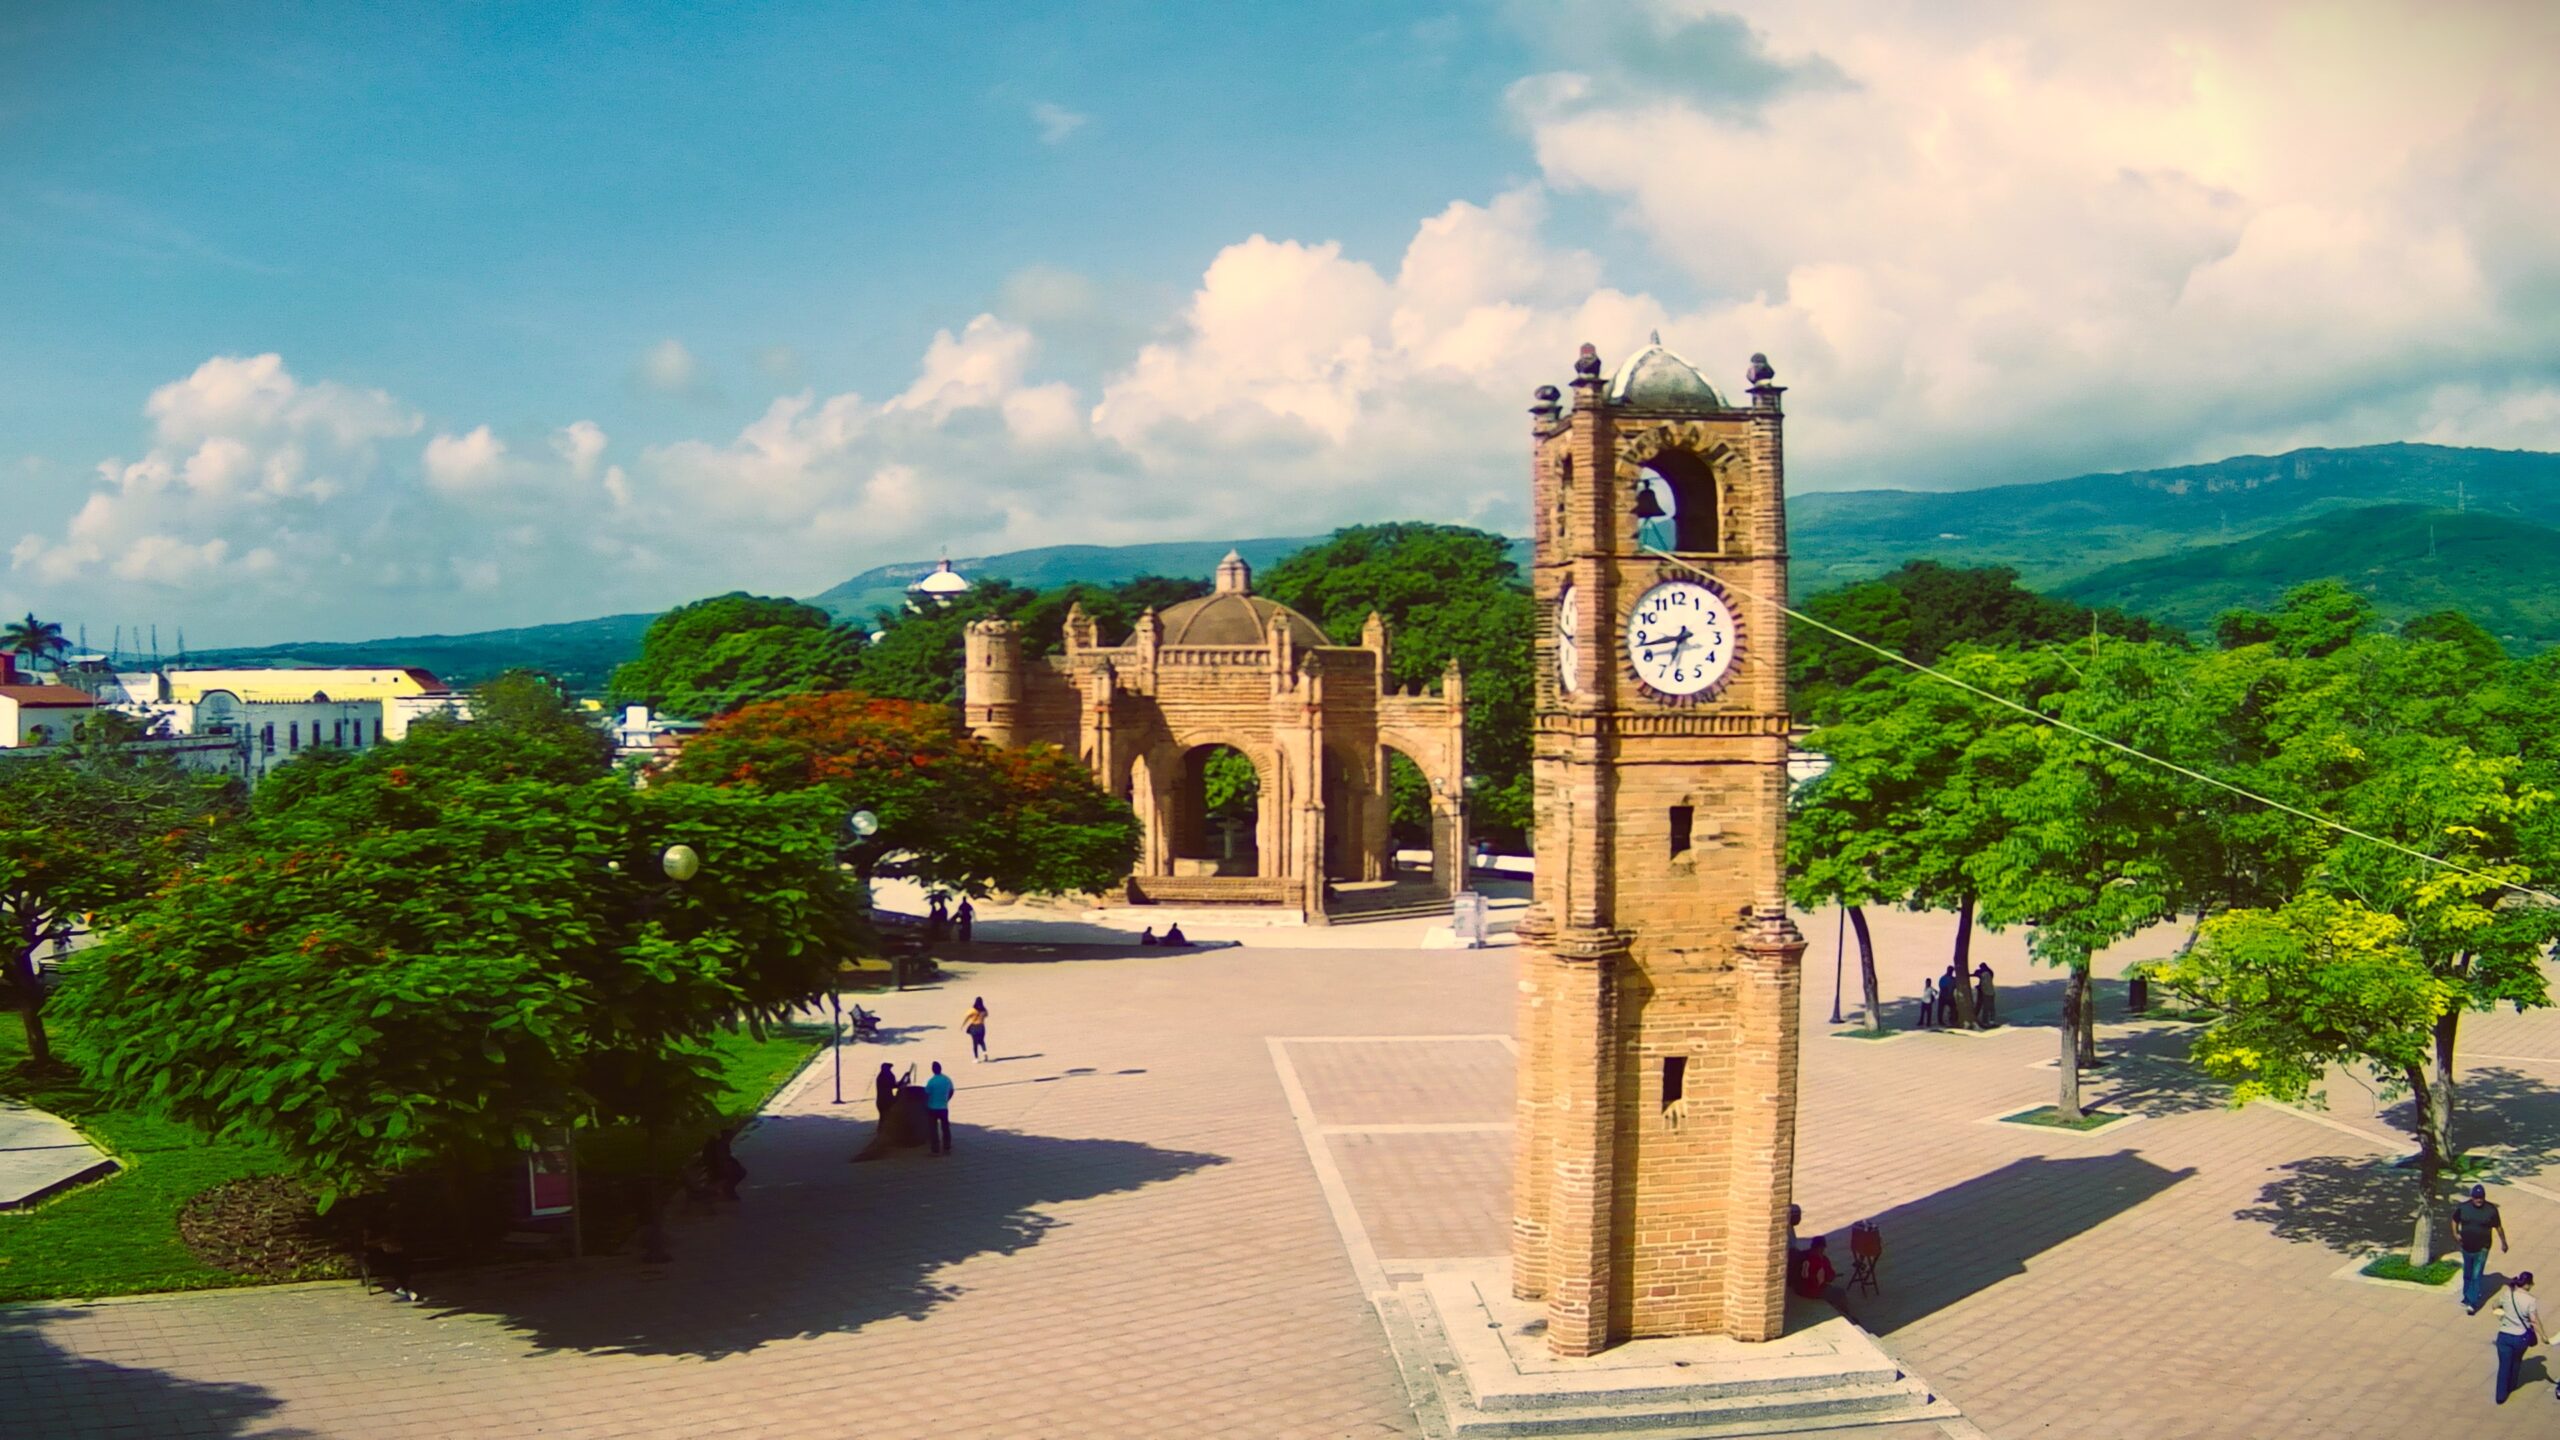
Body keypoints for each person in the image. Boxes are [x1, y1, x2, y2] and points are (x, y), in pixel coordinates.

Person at [2454, 1183, 2511, 1313]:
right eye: (2476, 1197)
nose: (2479, 1200)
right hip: (2466, 1247)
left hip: (2482, 1248)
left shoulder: (2491, 1210)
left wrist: (2504, 1242)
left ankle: (2472, 1303)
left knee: (2476, 1274)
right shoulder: (2463, 1208)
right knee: (2467, 1273)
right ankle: (2467, 1297)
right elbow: (2454, 1220)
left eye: (2481, 1197)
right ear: (2472, 1197)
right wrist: (2455, 1233)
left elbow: (2498, 1227)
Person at [2494, 1271, 2542, 1403]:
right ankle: (2512, 1385)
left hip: (2504, 1336)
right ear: (2527, 1284)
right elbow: (2534, 1321)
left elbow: (2495, 1305)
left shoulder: (2507, 1294)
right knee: (2516, 1361)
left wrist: (2500, 1315)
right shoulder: (2530, 1300)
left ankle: (2500, 1396)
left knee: (2503, 1366)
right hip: (2520, 1338)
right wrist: (2543, 1336)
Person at [700, 1127, 746, 1201]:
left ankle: (727, 1189)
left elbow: (726, 1157)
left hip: (718, 1166)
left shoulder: (723, 1145)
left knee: (740, 1171)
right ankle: (728, 1190)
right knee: (737, 1173)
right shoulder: (720, 1146)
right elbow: (722, 1160)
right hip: (717, 1167)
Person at [923, 1061, 955, 1155]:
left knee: (933, 1129)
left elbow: (926, 1093)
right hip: (943, 1107)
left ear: (932, 1070)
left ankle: (935, 1149)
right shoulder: (947, 1079)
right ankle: (947, 1147)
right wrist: (947, 1099)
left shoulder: (931, 1081)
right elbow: (952, 1091)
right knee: (945, 1127)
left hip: (932, 1107)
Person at [1792, 1234, 1837, 1300]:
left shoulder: (1802, 1254)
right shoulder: (1823, 1260)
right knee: (1839, 1293)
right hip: (1812, 1291)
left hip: (1798, 1289)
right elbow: (1830, 1277)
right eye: (1821, 1248)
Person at [965, 996, 989, 1062]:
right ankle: (985, 1055)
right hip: (982, 1027)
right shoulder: (984, 1010)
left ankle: (976, 1058)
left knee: (975, 1043)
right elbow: (987, 1015)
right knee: (982, 1041)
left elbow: (967, 1016)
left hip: (974, 1027)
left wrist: (963, 1025)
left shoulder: (973, 1010)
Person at [1973, 963, 1998, 1028]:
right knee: (1991, 1007)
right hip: (1990, 992)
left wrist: (1979, 987)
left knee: (1986, 1008)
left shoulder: (1985, 975)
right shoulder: (1989, 972)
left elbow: (1984, 984)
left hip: (1986, 993)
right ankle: (1991, 1021)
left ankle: (1985, 1021)